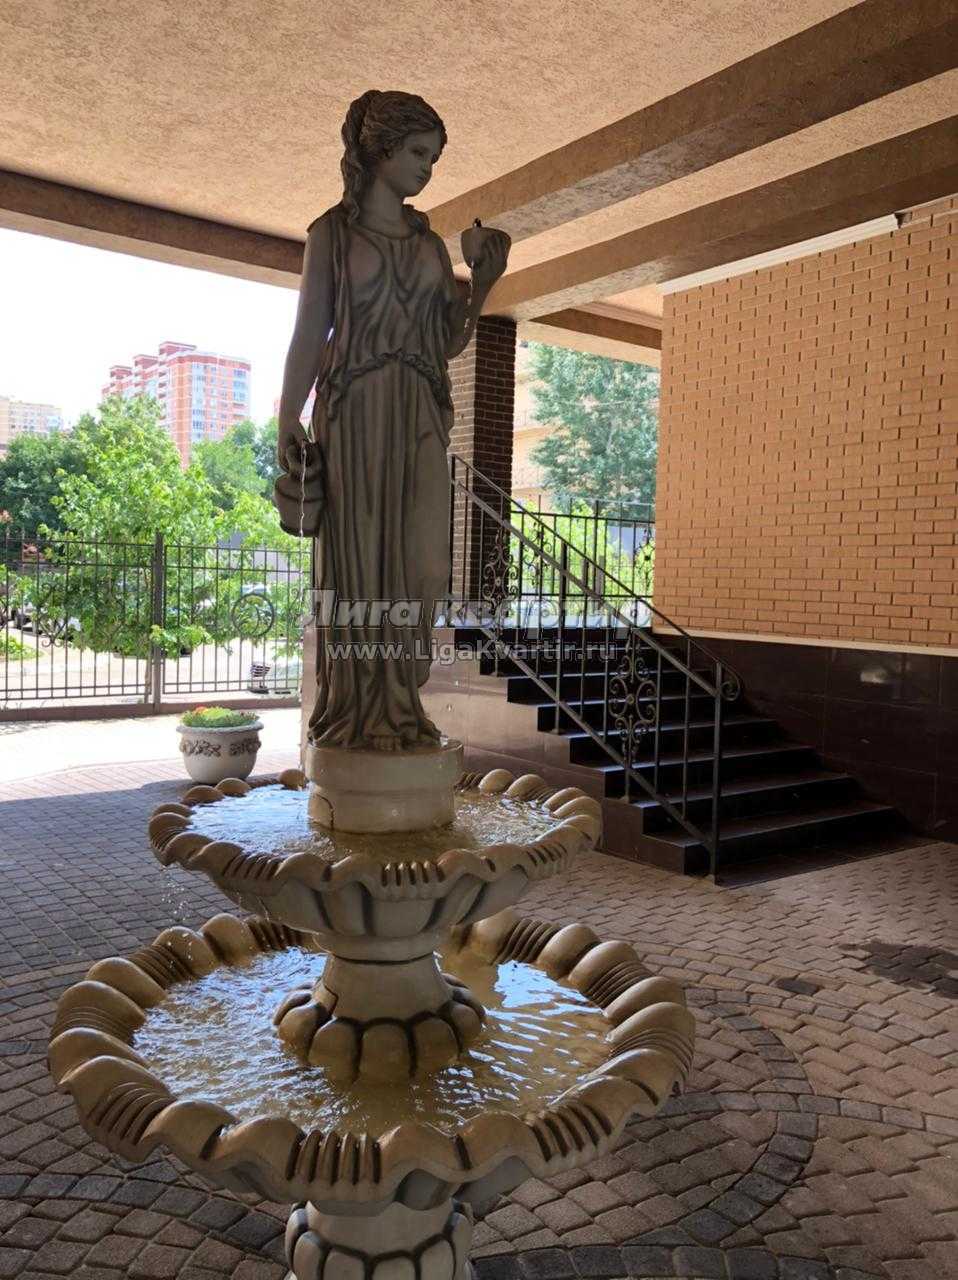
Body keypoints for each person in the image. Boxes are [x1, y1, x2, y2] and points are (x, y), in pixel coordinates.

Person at [274, 89, 510, 752]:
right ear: (379, 150)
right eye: (417, 152)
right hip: (355, 413)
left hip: (419, 413)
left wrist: (482, 282)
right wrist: (286, 413)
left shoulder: (430, 245)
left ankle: (401, 699)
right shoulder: (332, 233)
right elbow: (309, 331)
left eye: (433, 158)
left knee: (425, 562)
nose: (427, 168)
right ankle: (362, 712)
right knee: (359, 566)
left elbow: (449, 341)